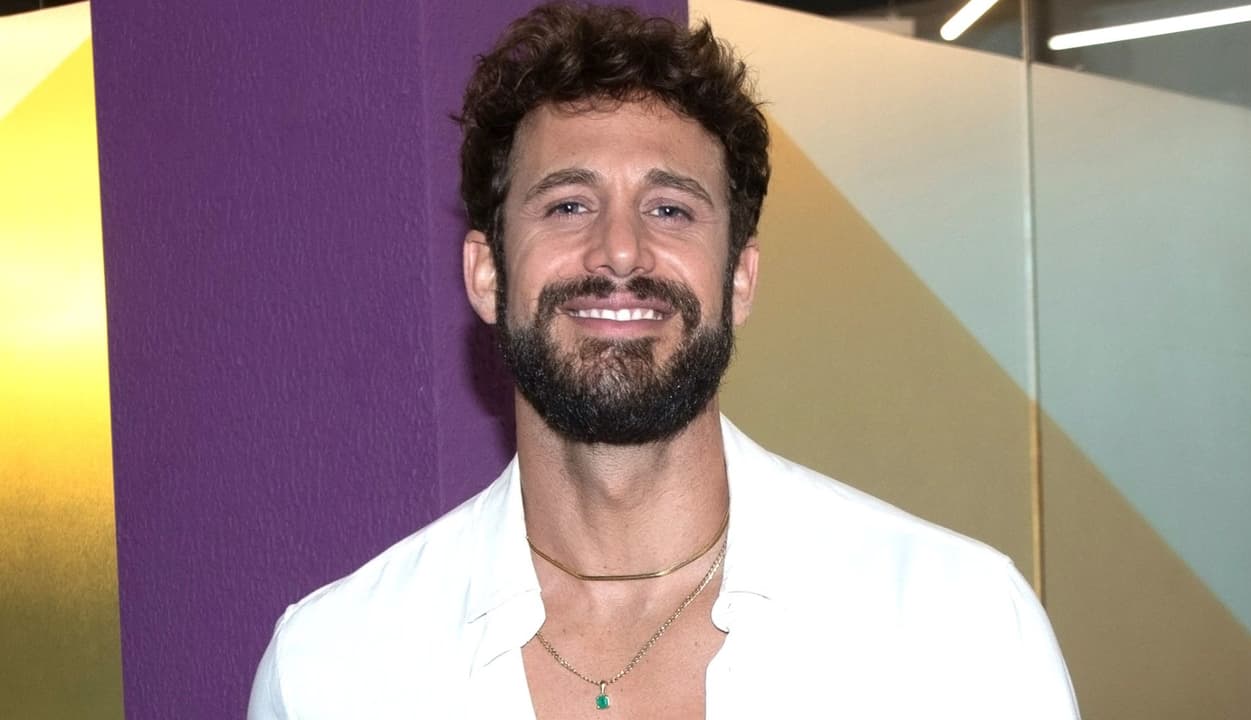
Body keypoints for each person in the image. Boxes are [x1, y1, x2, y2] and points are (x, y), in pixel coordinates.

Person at [248, 3, 1079, 718]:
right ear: (487, 273)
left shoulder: (959, 630)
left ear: (739, 278)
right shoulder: (336, 665)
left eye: (671, 209)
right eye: (568, 204)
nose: (620, 250)